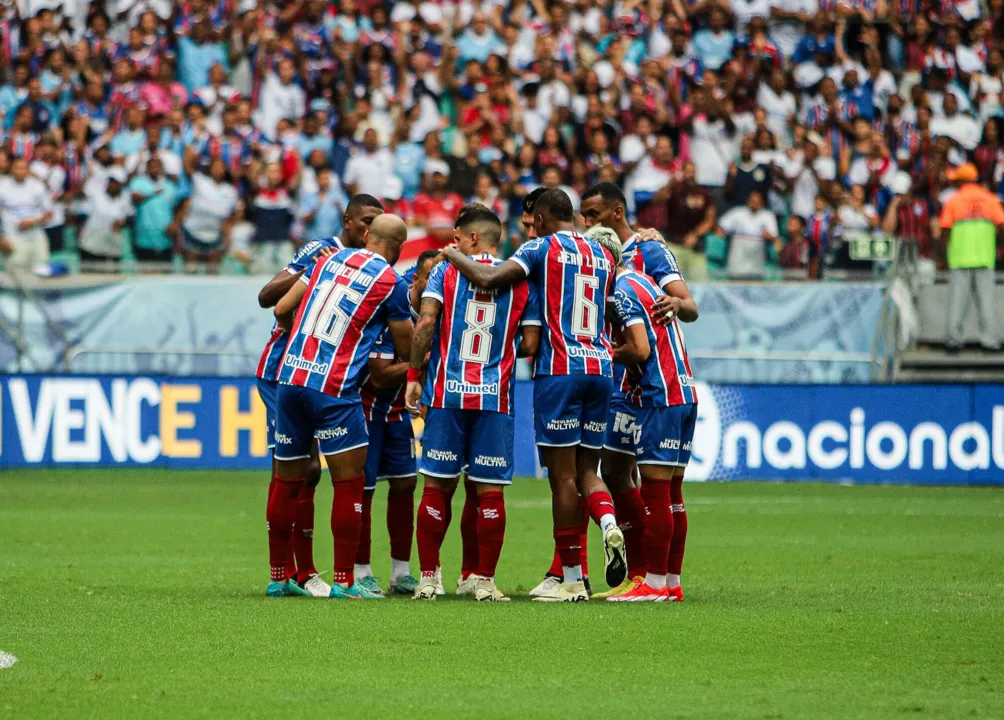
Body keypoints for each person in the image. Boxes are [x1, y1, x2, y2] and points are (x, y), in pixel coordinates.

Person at [440, 189, 626, 602]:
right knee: (587, 472)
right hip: (601, 367)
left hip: (560, 370)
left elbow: (488, 277)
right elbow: (611, 312)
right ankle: (609, 522)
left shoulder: (540, 247)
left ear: (540, 219)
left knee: (561, 478)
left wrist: (451, 255)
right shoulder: (604, 255)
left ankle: (573, 578)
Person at [270, 213, 412, 600]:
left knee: (286, 481)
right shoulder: (391, 283)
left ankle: (278, 576)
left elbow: (282, 308)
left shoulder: (327, 259)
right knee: (348, 484)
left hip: (291, 378)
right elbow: (406, 349)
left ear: (366, 235)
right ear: (398, 248)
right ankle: (346, 582)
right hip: (334, 388)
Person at [407, 207, 541, 602]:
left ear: (472, 239)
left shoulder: (446, 271)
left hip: (447, 394)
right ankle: (484, 581)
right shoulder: (520, 280)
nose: (454, 244)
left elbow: (426, 323)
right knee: (490, 493)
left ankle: (429, 578)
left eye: (458, 238)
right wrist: (497, 353)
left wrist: (415, 377)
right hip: (495, 398)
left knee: (436, 487)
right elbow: (531, 344)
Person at [254, 194, 384, 598]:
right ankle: (298, 572)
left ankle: (299, 573)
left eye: (377, 223)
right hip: (285, 371)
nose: (370, 230)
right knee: (304, 468)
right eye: (365, 221)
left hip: (328, 378)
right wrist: (309, 271)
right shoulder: (321, 251)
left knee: (312, 470)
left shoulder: (373, 268)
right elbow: (267, 297)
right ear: (346, 221)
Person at [579, 183, 699, 599]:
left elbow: (687, 308)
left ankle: (655, 580)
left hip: (653, 388)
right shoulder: (623, 270)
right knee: (617, 470)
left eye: (593, 214)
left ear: (615, 213)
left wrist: (677, 304)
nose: (587, 221)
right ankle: (659, 579)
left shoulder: (643, 257)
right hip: (650, 386)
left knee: (659, 485)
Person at [938, 163, 1004, 352]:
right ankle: (990, 342)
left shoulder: (953, 201)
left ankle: (953, 342)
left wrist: (941, 258)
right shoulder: (990, 199)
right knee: (987, 303)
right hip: (984, 257)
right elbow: (1001, 226)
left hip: (960, 258)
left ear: (961, 181)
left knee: (957, 304)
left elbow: (945, 232)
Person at [0, 156, 52, 268]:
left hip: (36, 236)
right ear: (11, 169)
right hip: (12, 237)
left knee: (41, 271)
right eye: (17, 168)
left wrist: (33, 223)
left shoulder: (37, 186)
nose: (20, 171)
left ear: (28, 170)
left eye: (23, 168)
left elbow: (49, 213)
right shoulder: (2, 187)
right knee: (16, 275)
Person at [717, 189, 781, 278]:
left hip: (757, 251)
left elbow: (774, 236)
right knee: (736, 276)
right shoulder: (738, 212)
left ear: (762, 203)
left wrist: (768, 236)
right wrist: (722, 233)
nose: (754, 204)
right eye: (752, 201)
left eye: (757, 202)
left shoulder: (768, 215)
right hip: (739, 250)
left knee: (755, 278)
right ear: (748, 201)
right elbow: (721, 226)